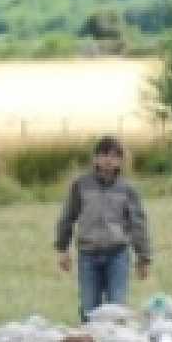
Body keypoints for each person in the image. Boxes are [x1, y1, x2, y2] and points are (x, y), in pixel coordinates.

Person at [54, 135, 153, 322]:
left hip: (118, 255)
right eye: (103, 155)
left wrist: (144, 258)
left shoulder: (127, 189)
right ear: (95, 159)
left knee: (116, 309)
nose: (108, 160)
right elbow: (68, 216)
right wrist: (62, 249)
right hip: (88, 255)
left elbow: (138, 224)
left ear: (120, 161)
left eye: (115, 156)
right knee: (89, 308)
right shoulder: (81, 185)